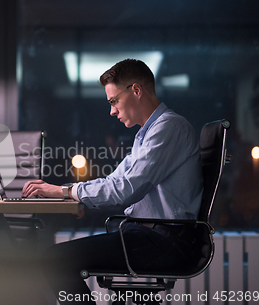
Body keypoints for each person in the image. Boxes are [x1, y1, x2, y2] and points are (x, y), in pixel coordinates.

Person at [22, 59, 203, 304]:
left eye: (113, 101)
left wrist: (64, 192)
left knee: (56, 260)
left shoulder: (168, 128)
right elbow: (115, 182)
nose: (112, 111)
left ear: (136, 90)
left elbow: (124, 189)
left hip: (165, 242)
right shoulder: (147, 133)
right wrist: (76, 196)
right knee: (57, 259)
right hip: (151, 236)